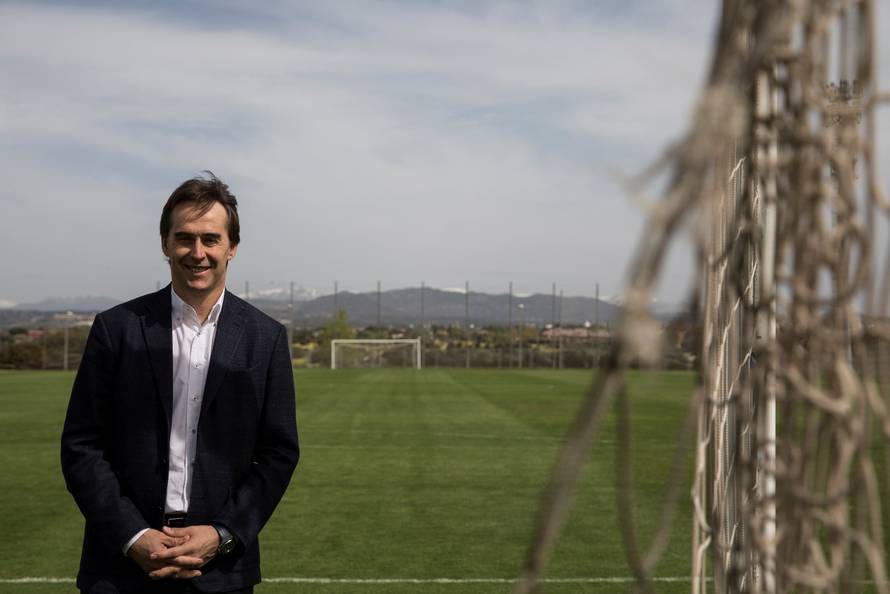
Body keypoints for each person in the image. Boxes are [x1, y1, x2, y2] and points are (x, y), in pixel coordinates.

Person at [61, 173, 299, 593]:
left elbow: (278, 453)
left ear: (232, 247)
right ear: (165, 244)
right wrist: (133, 535)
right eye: (185, 238)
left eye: (210, 239)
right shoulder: (116, 329)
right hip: (120, 569)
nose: (197, 252)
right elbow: (82, 446)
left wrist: (223, 532)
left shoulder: (266, 338)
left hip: (220, 571)